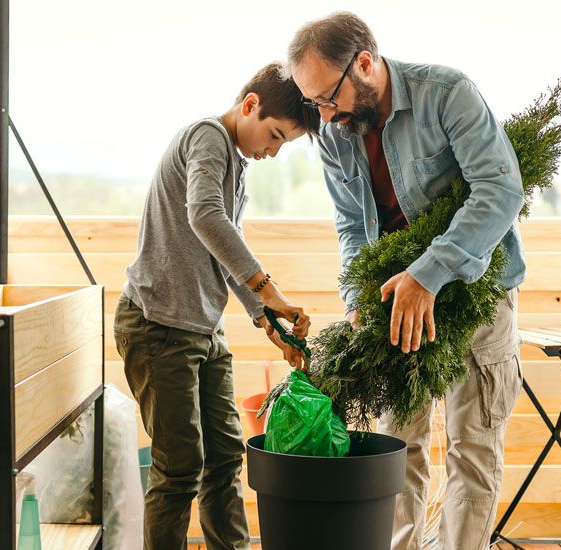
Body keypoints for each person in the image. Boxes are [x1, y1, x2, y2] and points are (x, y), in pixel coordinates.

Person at [286, 13, 525, 549]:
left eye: (328, 97)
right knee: (397, 447)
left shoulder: (447, 94)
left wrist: (429, 273)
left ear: (365, 65)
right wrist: (355, 296)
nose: (325, 115)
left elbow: (500, 190)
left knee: (473, 447)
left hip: (478, 294)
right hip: (395, 304)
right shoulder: (334, 131)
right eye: (314, 104)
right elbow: (351, 223)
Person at [113, 62, 318, 550]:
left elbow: (221, 245)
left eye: (282, 145)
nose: (272, 151)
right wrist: (268, 289)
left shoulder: (237, 166)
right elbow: (204, 215)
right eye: (274, 136)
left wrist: (263, 316)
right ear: (249, 105)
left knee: (225, 458)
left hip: (203, 330)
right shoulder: (207, 137)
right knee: (179, 468)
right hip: (157, 326)